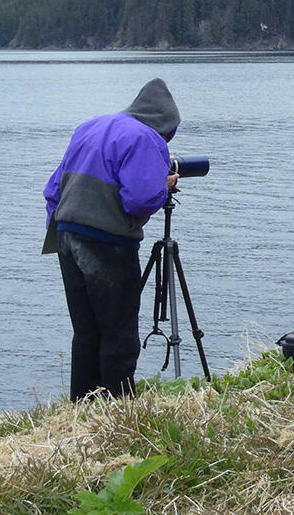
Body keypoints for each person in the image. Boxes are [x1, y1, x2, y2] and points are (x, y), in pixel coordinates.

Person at [43, 78, 181, 400]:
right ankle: (119, 411)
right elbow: (139, 200)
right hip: (106, 244)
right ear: (166, 125)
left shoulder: (90, 126)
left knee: (86, 332)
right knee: (118, 334)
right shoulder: (146, 138)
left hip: (66, 234)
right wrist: (164, 186)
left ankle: (83, 408)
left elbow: (53, 189)